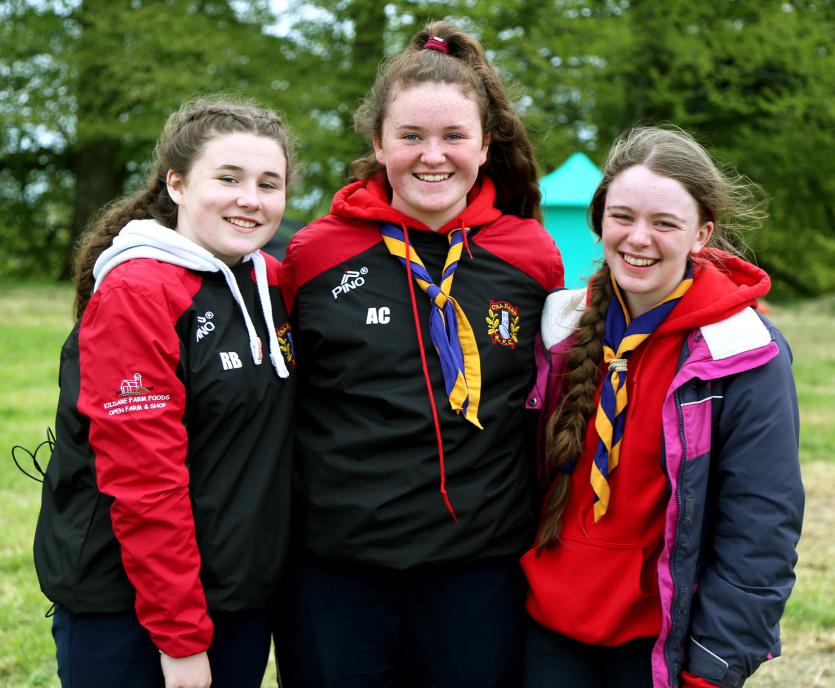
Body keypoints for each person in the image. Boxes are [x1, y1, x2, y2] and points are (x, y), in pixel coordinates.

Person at [276, 20, 563, 688]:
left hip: (477, 571)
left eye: (453, 136)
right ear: (378, 143)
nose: (431, 156)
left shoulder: (530, 254)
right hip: (337, 571)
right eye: (410, 136)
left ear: (485, 144)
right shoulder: (315, 253)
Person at [521, 126, 804, 688]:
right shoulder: (559, 329)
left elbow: (761, 529)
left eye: (665, 223)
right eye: (622, 216)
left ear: (702, 233)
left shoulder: (743, 354)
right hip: (545, 630)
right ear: (599, 220)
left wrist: (715, 663)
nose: (638, 238)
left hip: (662, 645)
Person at [33, 95, 298, 688]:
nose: (249, 199)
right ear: (176, 184)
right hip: (131, 612)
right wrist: (179, 640)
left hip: (232, 598)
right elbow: (144, 481)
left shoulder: (272, 281)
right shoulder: (139, 292)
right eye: (227, 178)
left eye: (268, 182)